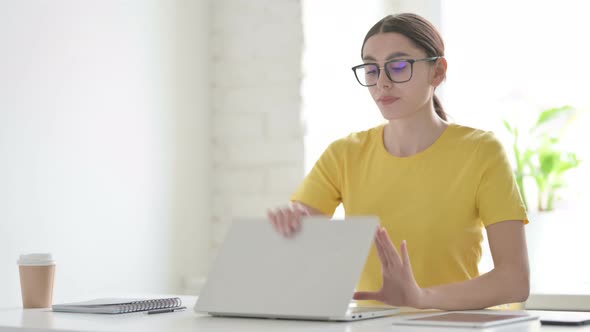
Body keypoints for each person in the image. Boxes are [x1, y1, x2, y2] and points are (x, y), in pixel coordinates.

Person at [267, 13, 529, 310]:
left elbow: (515, 280)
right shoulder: (344, 154)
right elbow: (300, 239)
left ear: (438, 72)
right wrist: (291, 223)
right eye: (371, 69)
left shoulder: (481, 151)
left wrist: (421, 298)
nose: (382, 82)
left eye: (399, 66)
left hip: (449, 326)